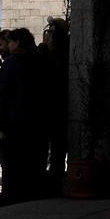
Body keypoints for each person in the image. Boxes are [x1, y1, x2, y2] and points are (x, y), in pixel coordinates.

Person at [0, 28, 47, 204]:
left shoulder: (12, 63)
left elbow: (4, 96)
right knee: (34, 167)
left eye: (10, 42)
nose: (8, 46)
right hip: (39, 124)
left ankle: (12, 199)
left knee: (13, 167)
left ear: (17, 42)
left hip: (15, 125)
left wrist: (2, 126)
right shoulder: (42, 60)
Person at [37, 17, 70, 193]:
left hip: (54, 110)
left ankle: (52, 184)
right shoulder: (63, 55)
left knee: (55, 151)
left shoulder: (52, 57)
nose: (48, 38)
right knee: (56, 151)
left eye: (50, 35)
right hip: (56, 109)